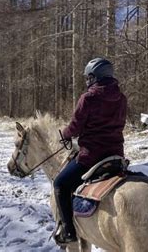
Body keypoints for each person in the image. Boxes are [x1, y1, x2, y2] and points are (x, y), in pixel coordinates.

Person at [53, 57, 127, 245]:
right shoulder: (121, 97)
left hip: (92, 156)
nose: (87, 81)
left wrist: (66, 134)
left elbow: (76, 126)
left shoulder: (89, 98)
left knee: (60, 183)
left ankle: (69, 231)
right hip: (116, 155)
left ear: (95, 77)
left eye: (88, 78)